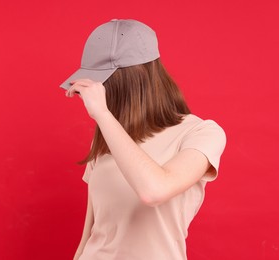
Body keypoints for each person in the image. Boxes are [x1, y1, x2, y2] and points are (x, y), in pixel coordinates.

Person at [60, 19, 226, 260]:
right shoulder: (108, 136)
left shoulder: (201, 133)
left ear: (130, 83)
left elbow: (154, 191)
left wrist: (103, 115)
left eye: (102, 83)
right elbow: (92, 231)